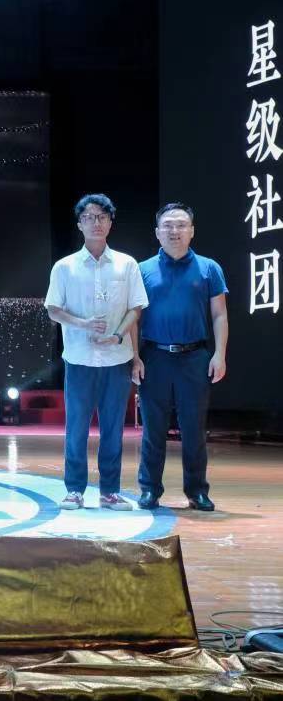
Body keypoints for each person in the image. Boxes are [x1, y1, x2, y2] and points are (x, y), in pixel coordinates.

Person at [45, 193, 147, 511]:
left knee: (113, 430)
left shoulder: (127, 264)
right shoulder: (65, 267)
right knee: (76, 428)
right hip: (79, 359)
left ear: (110, 222)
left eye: (102, 217)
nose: (96, 223)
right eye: (88, 217)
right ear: (79, 224)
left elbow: (135, 309)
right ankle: (74, 490)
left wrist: (119, 338)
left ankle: (110, 491)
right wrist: (83, 324)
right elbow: (53, 309)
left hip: (117, 360)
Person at [131, 202, 228, 512]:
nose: (175, 230)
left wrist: (220, 354)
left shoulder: (209, 268)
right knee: (153, 429)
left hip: (195, 358)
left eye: (181, 225)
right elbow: (134, 319)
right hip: (154, 357)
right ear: (157, 232)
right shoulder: (142, 270)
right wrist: (134, 358)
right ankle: (149, 489)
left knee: (194, 429)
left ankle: (197, 491)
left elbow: (219, 315)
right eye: (168, 225)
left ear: (192, 231)